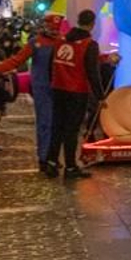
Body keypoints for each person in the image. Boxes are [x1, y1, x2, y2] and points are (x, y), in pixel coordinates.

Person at [0, 13, 64, 167]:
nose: (52, 30)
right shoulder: (40, 42)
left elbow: (14, 62)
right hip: (46, 87)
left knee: (53, 123)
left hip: (54, 87)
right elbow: (15, 61)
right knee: (47, 122)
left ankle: (49, 156)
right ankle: (46, 156)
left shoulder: (51, 42)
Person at [47, 10, 103, 179]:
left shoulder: (60, 41)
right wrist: (100, 96)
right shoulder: (89, 44)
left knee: (57, 126)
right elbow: (92, 72)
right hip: (77, 91)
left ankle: (51, 162)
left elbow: (51, 66)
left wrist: (54, 83)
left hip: (58, 88)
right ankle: (70, 166)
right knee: (71, 130)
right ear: (92, 24)